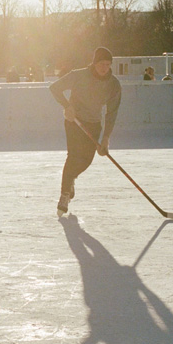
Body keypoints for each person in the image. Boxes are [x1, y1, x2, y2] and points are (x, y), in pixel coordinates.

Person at [50, 47, 121, 217]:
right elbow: (54, 88)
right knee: (74, 156)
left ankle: (70, 179)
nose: (105, 68)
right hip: (74, 122)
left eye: (108, 64)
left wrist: (106, 138)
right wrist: (67, 106)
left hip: (94, 124)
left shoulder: (113, 84)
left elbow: (112, 113)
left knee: (86, 160)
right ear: (94, 63)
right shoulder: (78, 75)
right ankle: (64, 194)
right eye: (102, 64)